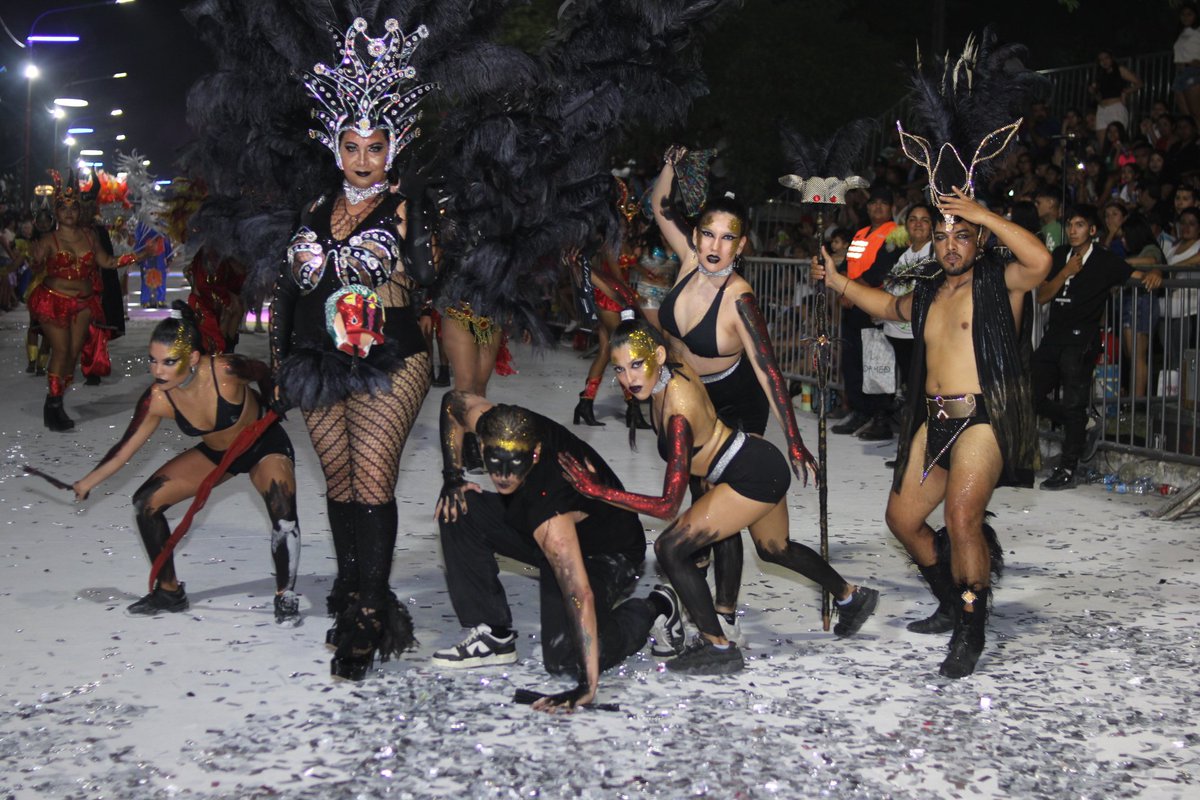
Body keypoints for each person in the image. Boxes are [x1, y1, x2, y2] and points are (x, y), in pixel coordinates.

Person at [812, 188, 1053, 678]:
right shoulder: (927, 293)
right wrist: (838, 283)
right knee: (901, 518)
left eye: (961, 236)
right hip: (934, 417)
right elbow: (885, 305)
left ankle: (971, 628)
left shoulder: (1000, 282)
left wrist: (982, 212)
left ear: (979, 240)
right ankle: (952, 599)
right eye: (942, 237)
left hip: (983, 419)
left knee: (961, 517)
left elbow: (1041, 259)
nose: (950, 246)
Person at [560, 319, 879, 674]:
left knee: (671, 547)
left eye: (637, 364)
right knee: (775, 549)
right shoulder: (668, 370)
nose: (628, 378)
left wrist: (598, 491)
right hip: (755, 461)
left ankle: (718, 646)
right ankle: (852, 597)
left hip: (749, 476)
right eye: (619, 369)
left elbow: (667, 505)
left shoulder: (677, 415)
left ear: (660, 355)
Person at [270, 17, 437, 680]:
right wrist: (280, 361)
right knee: (339, 483)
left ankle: (369, 614)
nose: (363, 158)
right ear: (335, 147)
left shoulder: (406, 204)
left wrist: (419, 236)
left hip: (390, 356)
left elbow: (428, 278)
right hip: (316, 358)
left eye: (375, 146)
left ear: (392, 148)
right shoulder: (312, 207)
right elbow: (287, 291)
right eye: (352, 145)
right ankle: (349, 584)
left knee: (372, 480)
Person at [650, 145, 819, 644]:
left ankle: (722, 611)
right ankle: (713, 605)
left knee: (718, 506)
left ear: (741, 246)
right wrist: (668, 166)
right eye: (708, 234)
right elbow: (661, 206)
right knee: (704, 501)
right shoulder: (686, 259)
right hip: (692, 397)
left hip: (736, 401)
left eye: (727, 239)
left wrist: (792, 439)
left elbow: (769, 372)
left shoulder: (740, 297)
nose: (714, 246)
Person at [434, 394, 685, 712]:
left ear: (536, 452)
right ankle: (493, 633)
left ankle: (655, 608)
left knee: (565, 656)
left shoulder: (550, 507)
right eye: (495, 462)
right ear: (481, 445)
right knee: (457, 506)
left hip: (607, 550)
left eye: (516, 464)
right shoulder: (497, 422)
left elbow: (580, 594)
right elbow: (453, 403)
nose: (504, 476)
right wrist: (453, 477)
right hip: (531, 519)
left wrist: (587, 687)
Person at [72, 302, 301, 624]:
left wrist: (273, 397)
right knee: (146, 502)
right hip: (217, 454)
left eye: (169, 362)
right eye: (152, 361)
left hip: (263, 445)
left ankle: (285, 595)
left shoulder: (225, 370)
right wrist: (87, 483)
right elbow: (124, 450)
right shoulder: (158, 398)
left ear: (193, 358)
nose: (158, 370)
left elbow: (261, 370)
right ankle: (169, 592)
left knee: (283, 511)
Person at [1034, 205, 1162, 490]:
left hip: (1082, 339)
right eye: (1070, 224)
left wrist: (1155, 274)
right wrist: (1065, 272)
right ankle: (1082, 424)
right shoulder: (1058, 256)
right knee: (1031, 393)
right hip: (1054, 335)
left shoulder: (1105, 260)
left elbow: (1136, 276)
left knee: (1074, 401)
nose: (1072, 230)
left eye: (1079, 225)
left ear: (1092, 230)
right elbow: (1043, 296)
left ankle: (1068, 468)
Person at [28, 171, 154, 431]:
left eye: (74, 207)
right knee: (61, 351)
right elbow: (35, 265)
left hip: (85, 302)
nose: (70, 212)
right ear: (56, 211)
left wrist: (140, 255)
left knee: (73, 354)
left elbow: (108, 262)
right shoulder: (48, 240)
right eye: (64, 207)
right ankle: (54, 404)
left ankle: (57, 399)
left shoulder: (89, 237)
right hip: (54, 300)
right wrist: (35, 257)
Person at [1091, 51, 1142, 134]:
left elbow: (1139, 83)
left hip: (1116, 107)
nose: (1104, 61)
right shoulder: (1100, 74)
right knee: (1103, 142)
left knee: (1117, 139)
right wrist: (1093, 92)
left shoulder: (1120, 70)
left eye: (1106, 58)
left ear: (1111, 58)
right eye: (1101, 60)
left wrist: (1126, 91)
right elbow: (1097, 94)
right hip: (1102, 109)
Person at [1174, 3, 1200, 128]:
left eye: (1189, 14)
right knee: (1187, 117)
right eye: (1183, 14)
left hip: (1193, 71)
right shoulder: (1182, 32)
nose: (1186, 17)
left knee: (1196, 113)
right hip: (1180, 73)